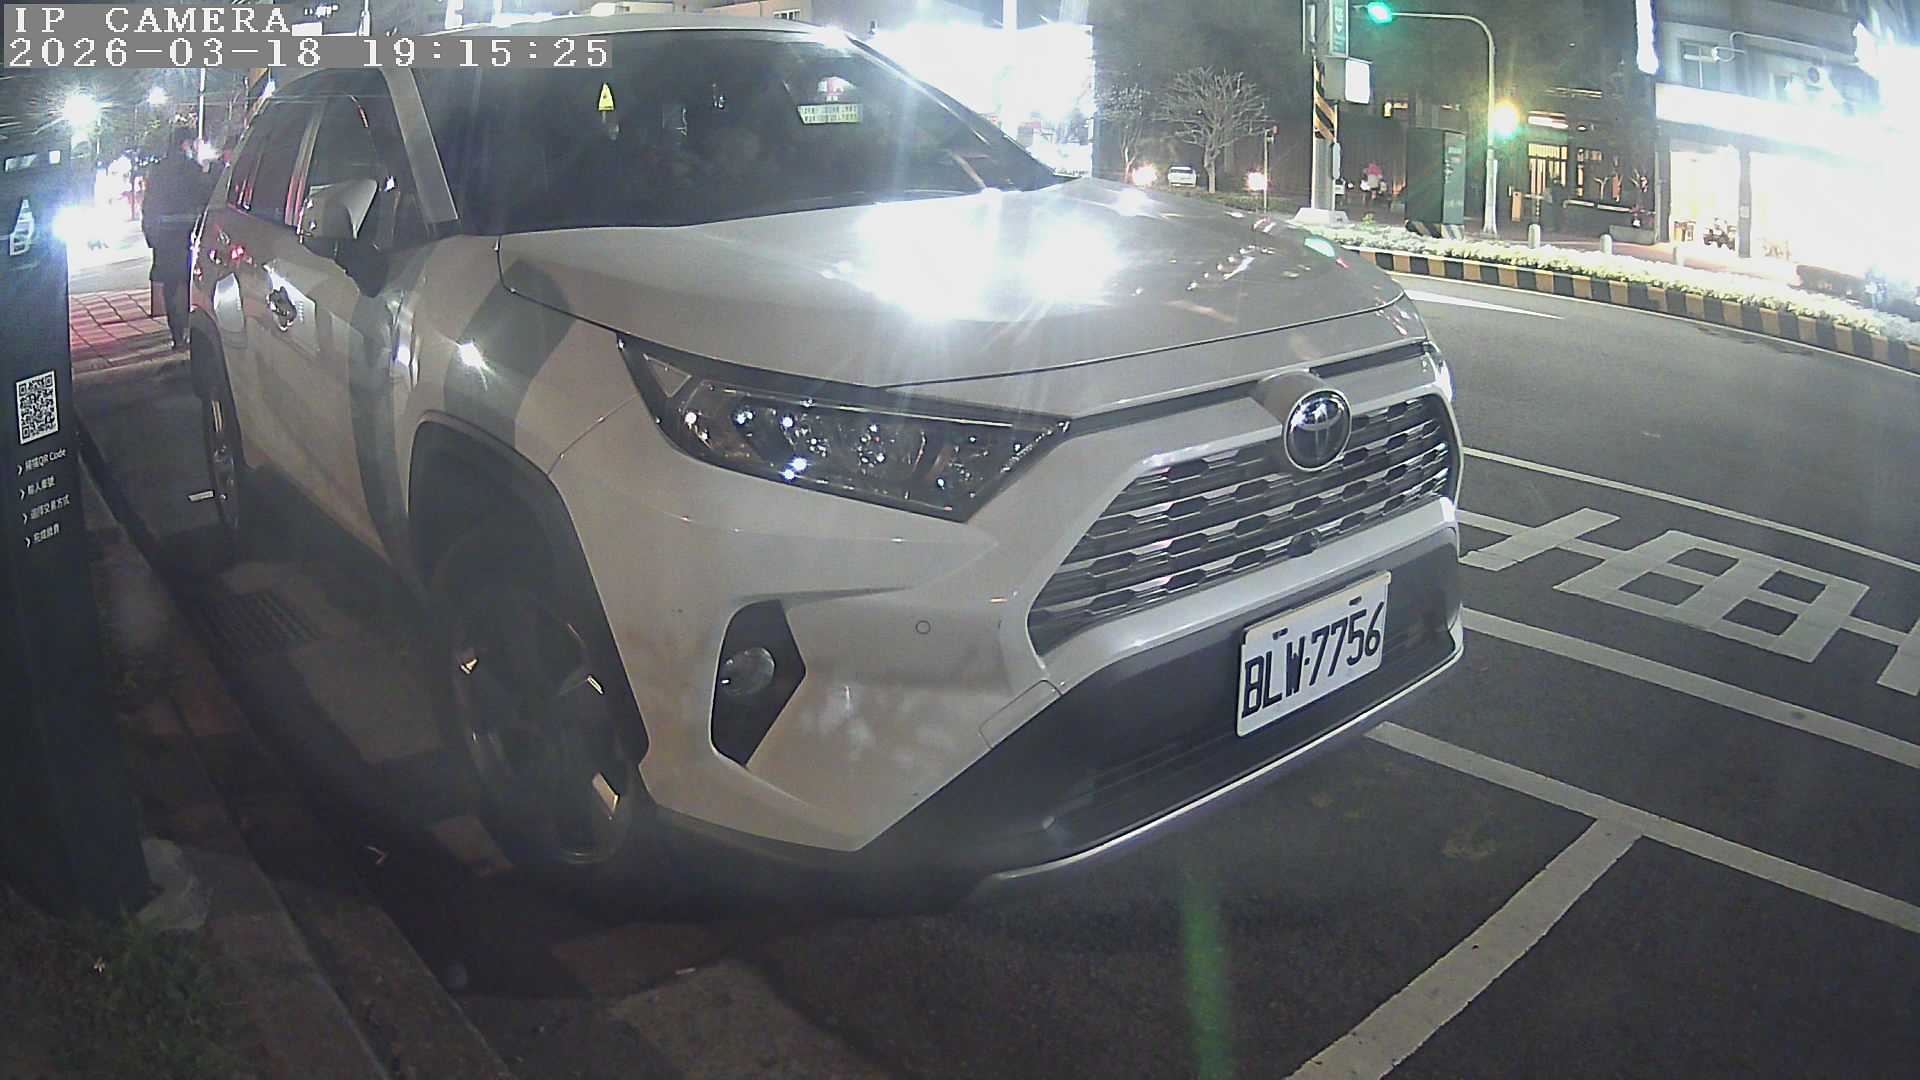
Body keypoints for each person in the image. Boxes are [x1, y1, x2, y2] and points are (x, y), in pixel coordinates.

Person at [142, 126, 209, 350]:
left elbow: (149, 204)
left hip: (165, 235)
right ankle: (189, 331)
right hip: (188, 232)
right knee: (189, 283)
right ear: (185, 143)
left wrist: (151, 235)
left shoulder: (158, 170)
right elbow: (204, 199)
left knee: (171, 286)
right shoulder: (193, 169)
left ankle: (177, 336)